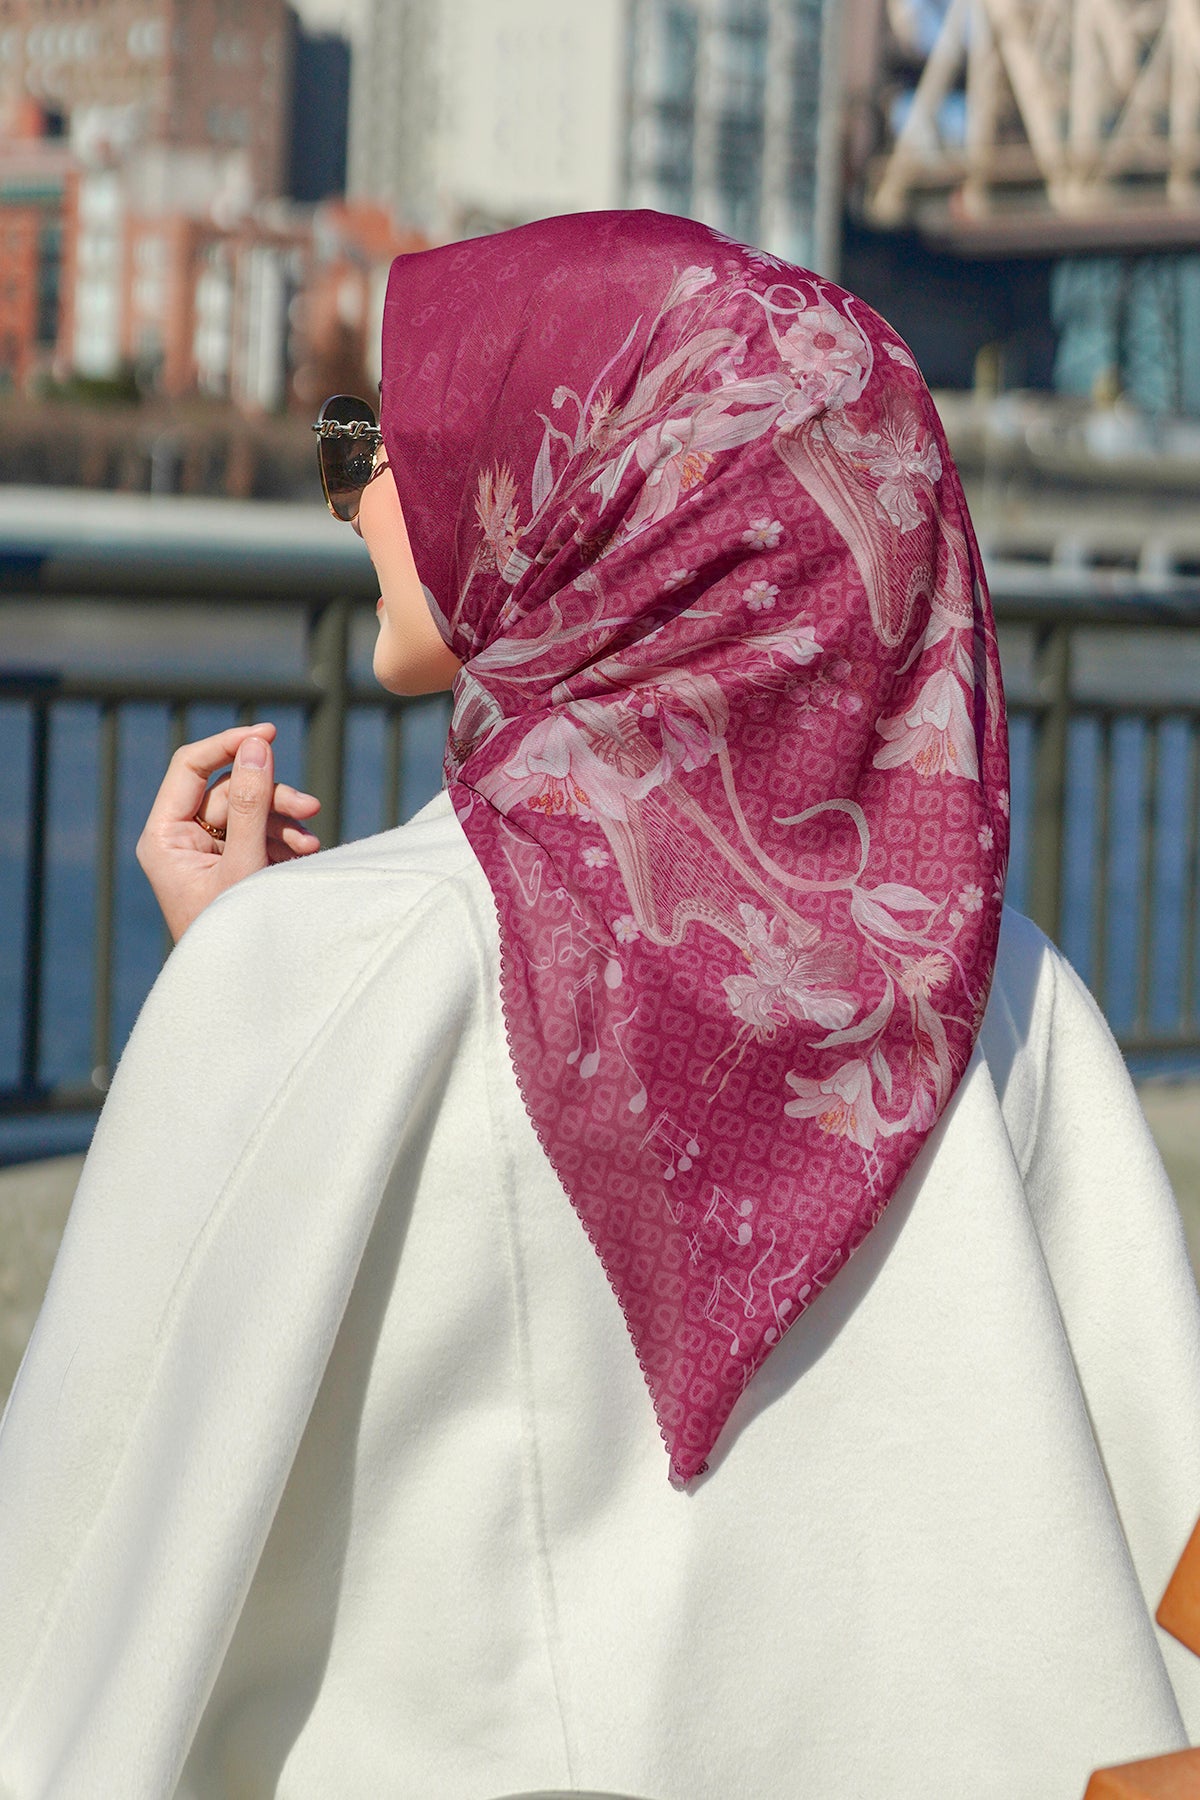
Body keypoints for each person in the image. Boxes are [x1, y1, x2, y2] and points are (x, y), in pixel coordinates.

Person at [0, 210, 1197, 1800]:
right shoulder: (1025, 1010)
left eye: (396, 443)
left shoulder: (331, 981)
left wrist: (253, 989)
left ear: (583, 505)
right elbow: (1164, 1579)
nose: (352, 489)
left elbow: (74, 1590)